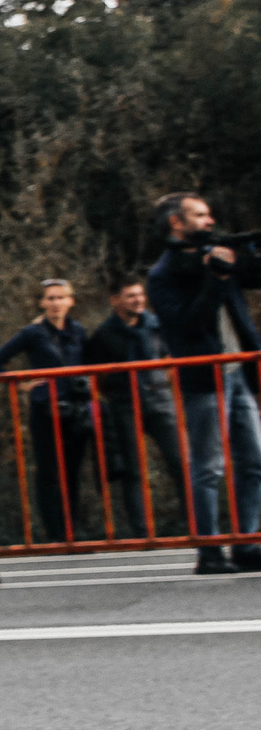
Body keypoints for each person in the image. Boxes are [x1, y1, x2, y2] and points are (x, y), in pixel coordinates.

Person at [146, 192, 261, 573]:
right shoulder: (163, 274)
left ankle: (248, 541)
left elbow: (254, 277)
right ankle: (209, 549)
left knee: (254, 461)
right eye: (200, 214)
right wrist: (215, 277)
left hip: (239, 372)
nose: (210, 220)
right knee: (209, 466)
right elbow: (189, 324)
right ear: (176, 223)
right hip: (205, 378)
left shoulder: (213, 254)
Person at [0, 279, 97, 546]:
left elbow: (90, 362)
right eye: (50, 298)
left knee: (73, 470)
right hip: (46, 407)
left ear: (71, 301)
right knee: (48, 470)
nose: (55, 303)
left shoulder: (78, 331)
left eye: (60, 298)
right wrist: (21, 383)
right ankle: (54, 532)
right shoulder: (33, 333)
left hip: (76, 406)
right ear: (43, 303)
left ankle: (72, 531)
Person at [84, 276, 185, 542]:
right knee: (134, 470)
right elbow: (94, 374)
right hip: (125, 403)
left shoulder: (156, 325)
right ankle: (142, 532)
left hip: (160, 398)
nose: (138, 300)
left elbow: (170, 356)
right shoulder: (105, 334)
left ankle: (197, 525)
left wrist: (166, 381)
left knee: (180, 462)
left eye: (140, 295)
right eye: (131, 296)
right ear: (115, 300)